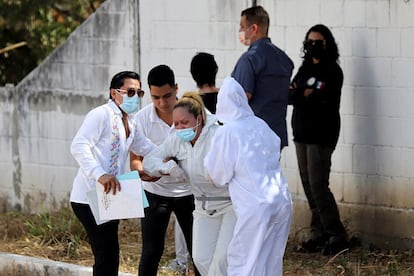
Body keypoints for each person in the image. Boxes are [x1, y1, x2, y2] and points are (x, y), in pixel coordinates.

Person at [204, 77, 292, 276]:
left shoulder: (228, 131)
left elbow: (217, 176)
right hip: (281, 202)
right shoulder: (261, 124)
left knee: (244, 262)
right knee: (270, 262)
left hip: (256, 208)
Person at [70, 71, 154, 276]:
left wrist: (168, 163)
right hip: (89, 197)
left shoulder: (131, 122)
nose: (135, 97)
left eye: (139, 93)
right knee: (105, 254)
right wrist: (100, 174)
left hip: (110, 196)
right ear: (114, 93)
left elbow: (147, 148)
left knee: (110, 254)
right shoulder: (100, 115)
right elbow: (78, 146)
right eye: (130, 92)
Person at [143, 92, 236, 276]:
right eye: (176, 124)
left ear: (199, 119)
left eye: (184, 123)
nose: (179, 128)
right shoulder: (177, 139)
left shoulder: (218, 134)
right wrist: (168, 168)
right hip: (202, 206)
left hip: (229, 205)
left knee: (222, 259)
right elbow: (149, 160)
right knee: (201, 259)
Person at [129, 65, 200, 276]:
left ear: (176, 88)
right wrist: (144, 172)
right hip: (154, 192)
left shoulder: (194, 114)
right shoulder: (141, 119)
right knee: (151, 251)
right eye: (155, 97)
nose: (162, 103)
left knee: (199, 253)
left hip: (189, 193)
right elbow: (135, 160)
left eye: (167, 96)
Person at [288, 24, 348, 255]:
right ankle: (318, 233)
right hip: (301, 134)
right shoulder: (303, 69)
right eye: (310, 41)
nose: (314, 46)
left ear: (327, 44)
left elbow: (324, 99)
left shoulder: (332, 71)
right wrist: (303, 94)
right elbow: (289, 95)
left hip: (321, 135)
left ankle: (337, 235)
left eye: (318, 42)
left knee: (318, 185)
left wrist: (302, 94)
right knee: (308, 185)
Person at [232, 5, 294, 150]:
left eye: (242, 27)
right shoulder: (284, 59)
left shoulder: (249, 59)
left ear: (253, 28)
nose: (240, 31)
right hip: (276, 132)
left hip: (253, 135)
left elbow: (242, 97)